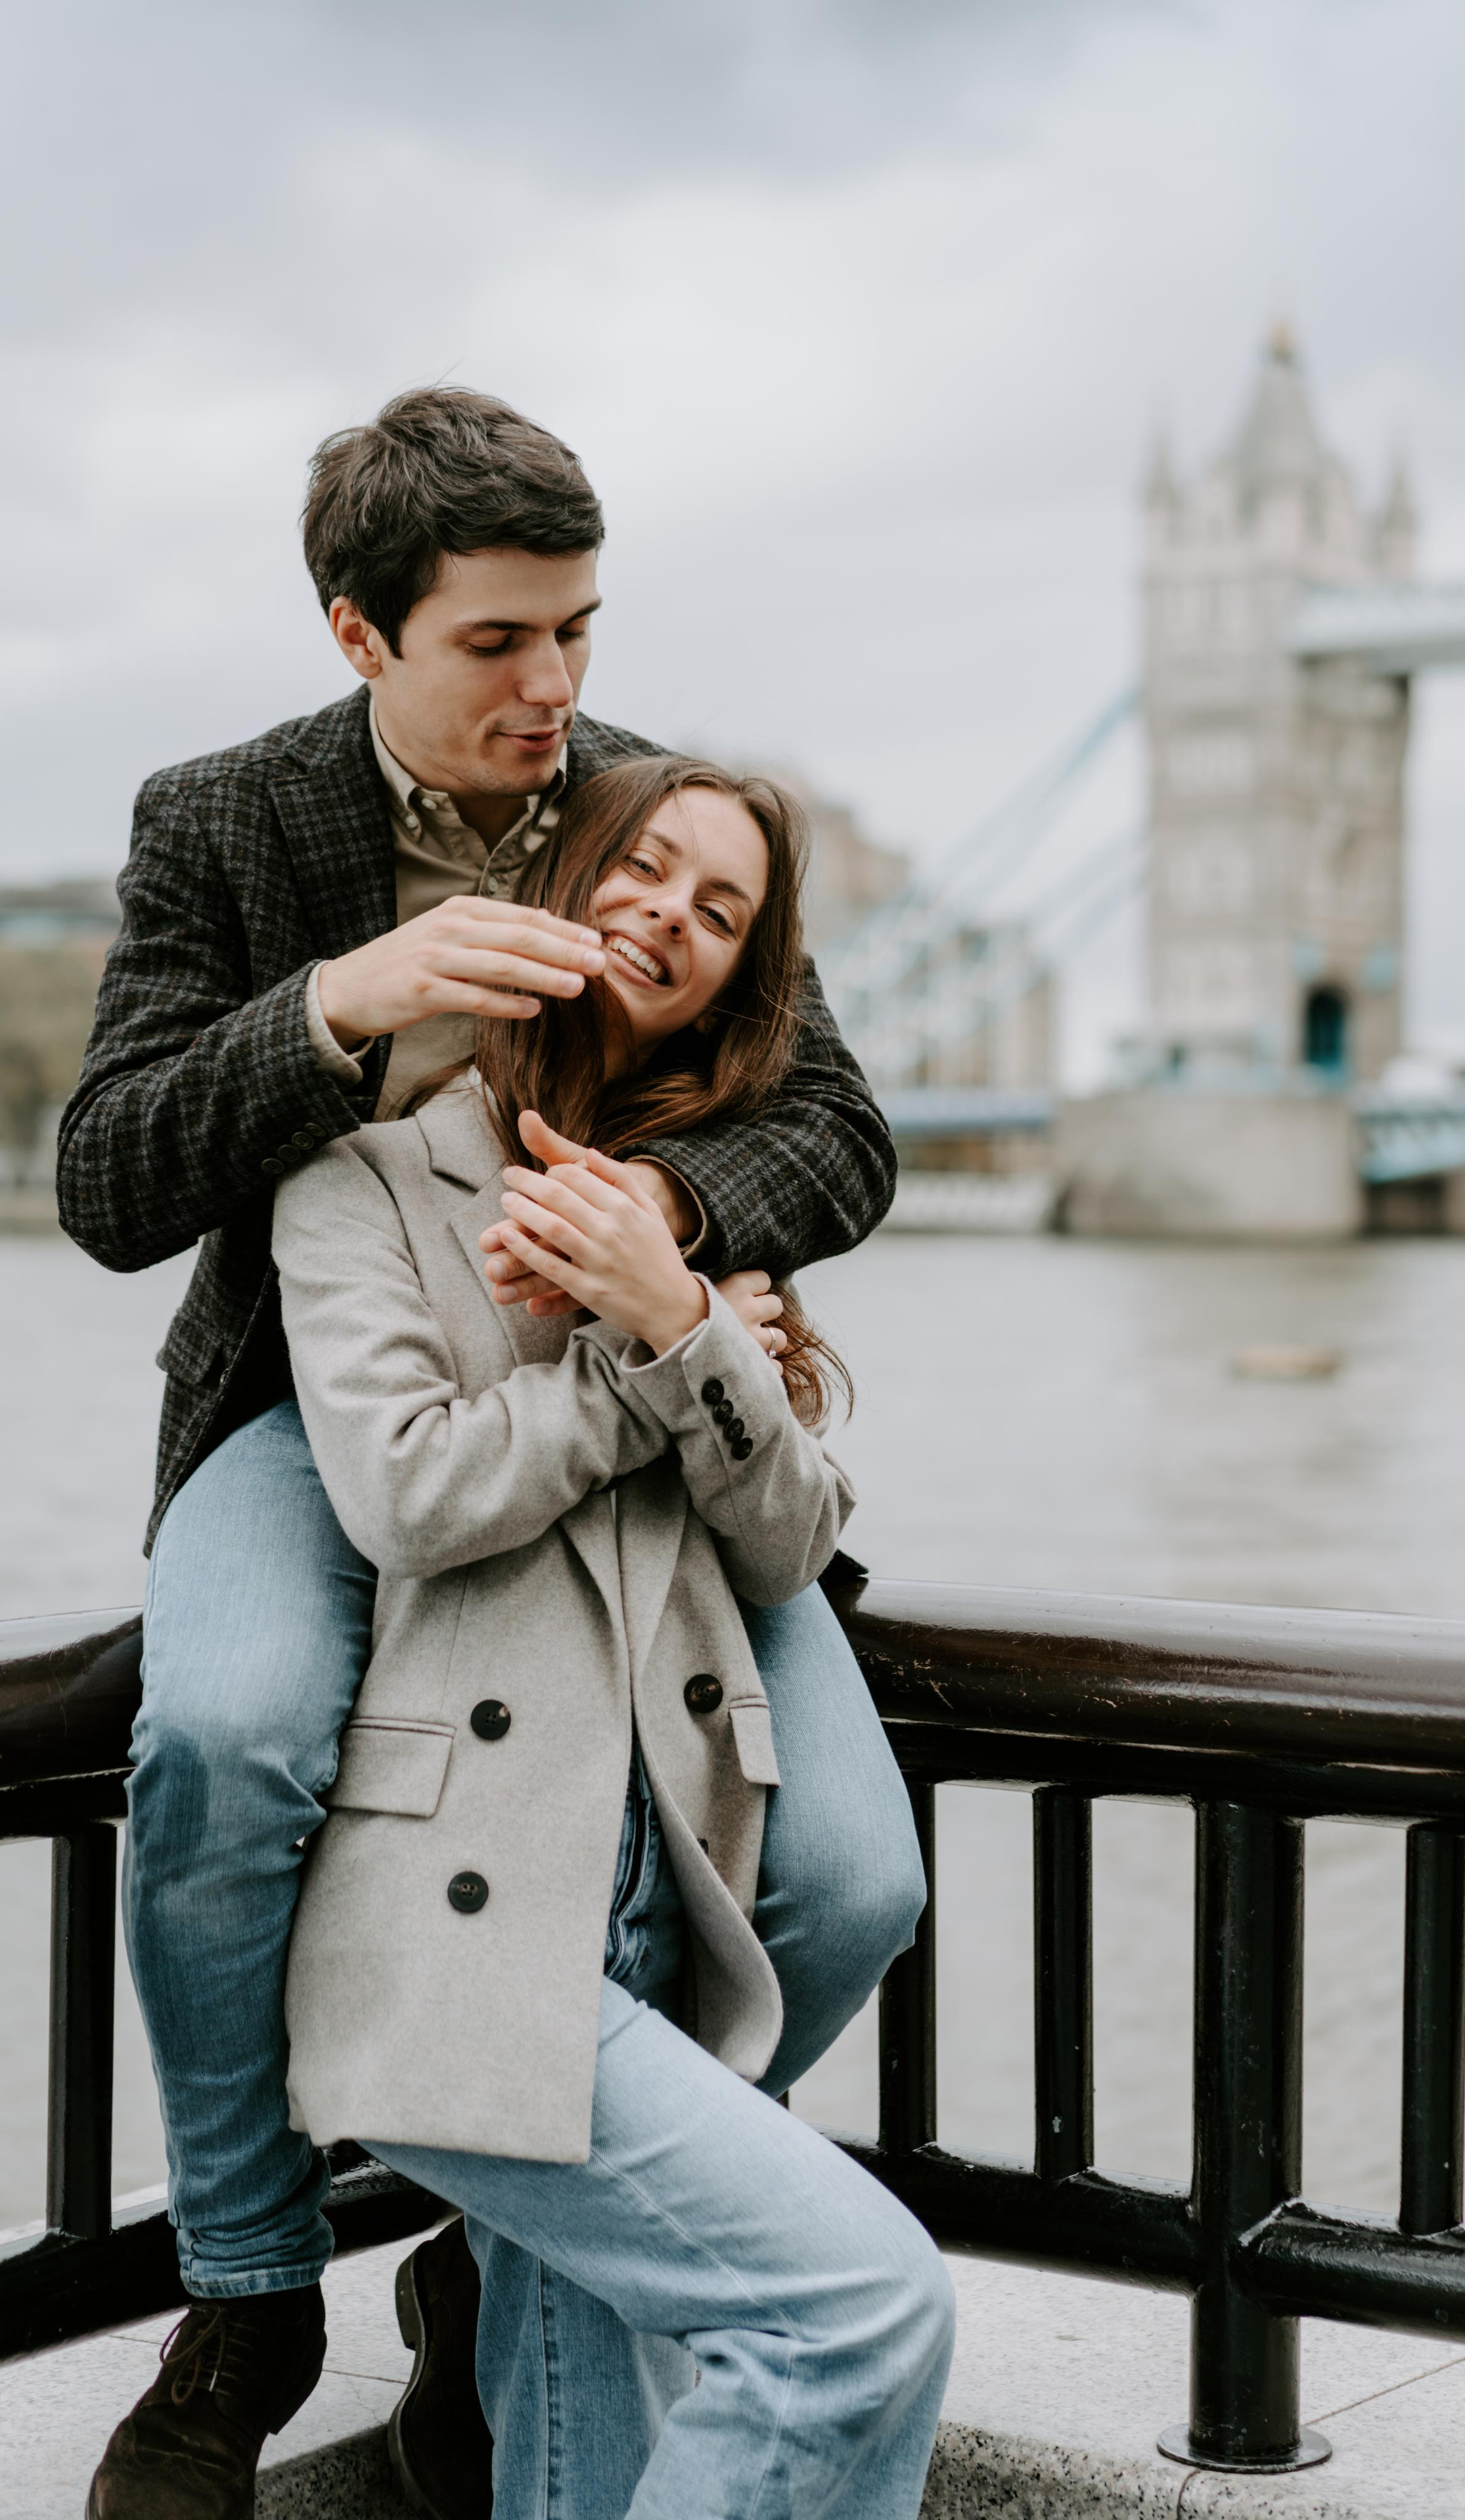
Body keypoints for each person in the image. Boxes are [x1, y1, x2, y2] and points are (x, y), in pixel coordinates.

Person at [66, 389, 925, 2520]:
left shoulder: (632, 802)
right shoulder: (224, 820)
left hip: (637, 1392)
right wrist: (341, 1006)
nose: (554, 688)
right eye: (499, 644)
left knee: (841, 1875)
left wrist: (669, 1253)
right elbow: (104, 1178)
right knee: (229, 1739)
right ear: (362, 633)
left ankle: (522, 2218)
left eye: (580, 631)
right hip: (326, 1383)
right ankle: (254, 2286)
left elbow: (836, 1132)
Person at [272, 752, 954, 2517]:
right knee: (856, 2314)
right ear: (560, 879)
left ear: (738, 982)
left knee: (583, 2461)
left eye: (721, 911)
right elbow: (411, 1492)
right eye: (646, 868)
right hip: (463, 1937)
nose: (672, 914)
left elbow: (795, 1532)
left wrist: (678, 1321)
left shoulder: (711, 1215)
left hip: (665, 1914)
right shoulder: (361, 1186)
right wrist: (634, 1358)